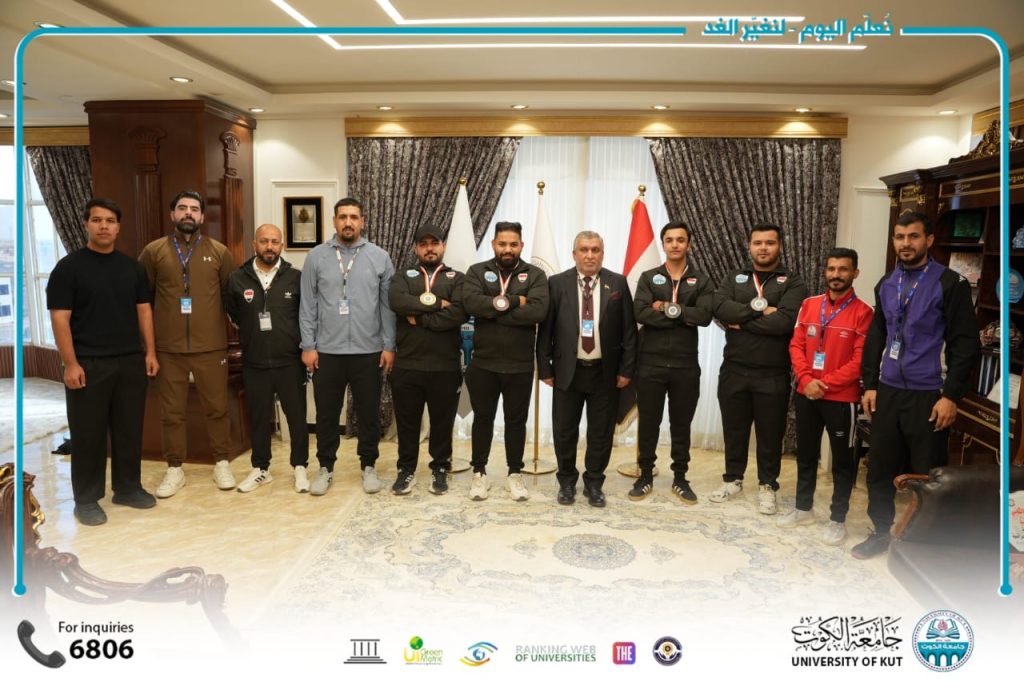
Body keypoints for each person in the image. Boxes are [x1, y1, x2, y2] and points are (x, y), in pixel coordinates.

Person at [853, 212, 980, 559]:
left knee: (928, 475)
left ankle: (925, 541)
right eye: (899, 237)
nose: (905, 243)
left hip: (929, 393)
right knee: (879, 468)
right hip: (888, 390)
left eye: (913, 236)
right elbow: (877, 335)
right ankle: (880, 532)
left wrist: (951, 396)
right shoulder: (887, 282)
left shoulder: (950, 284)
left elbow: (965, 344)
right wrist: (870, 384)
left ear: (929, 240)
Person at [46, 198, 160, 525]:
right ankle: (85, 499)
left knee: (128, 429)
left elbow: (144, 312)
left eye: (110, 220)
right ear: (86, 224)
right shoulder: (68, 269)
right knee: (88, 434)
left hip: (130, 361)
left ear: (118, 227)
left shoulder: (132, 268)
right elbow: (60, 319)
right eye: (97, 220)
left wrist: (150, 352)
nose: (104, 226)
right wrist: (70, 364)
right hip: (88, 364)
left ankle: (127, 488)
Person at [139, 190, 235, 497]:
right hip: (169, 349)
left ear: (203, 216)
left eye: (194, 209)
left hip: (211, 347)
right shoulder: (154, 251)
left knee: (217, 409)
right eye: (182, 208)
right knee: (172, 413)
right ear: (173, 214)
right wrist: (149, 349)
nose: (189, 213)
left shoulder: (219, 252)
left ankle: (222, 462)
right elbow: (143, 300)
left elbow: (230, 298)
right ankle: (174, 468)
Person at [299, 197, 396, 496]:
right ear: (334, 221)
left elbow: (387, 307)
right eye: (343, 217)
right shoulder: (316, 257)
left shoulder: (379, 257)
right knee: (327, 414)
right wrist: (308, 345)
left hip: (369, 351)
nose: (348, 222)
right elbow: (307, 305)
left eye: (354, 217)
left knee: (368, 413)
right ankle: (325, 467)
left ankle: (369, 466)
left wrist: (388, 345)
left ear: (362, 221)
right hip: (327, 352)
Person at [711, 222, 808, 514]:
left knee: (770, 434)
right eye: (758, 243)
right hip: (734, 370)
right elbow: (720, 308)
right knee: (734, 430)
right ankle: (733, 479)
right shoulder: (734, 277)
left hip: (772, 373)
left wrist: (741, 321)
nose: (763, 248)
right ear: (749, 246)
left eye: (769, 242)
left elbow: (785, 322)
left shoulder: (793, 282)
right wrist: (761, 311)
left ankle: (768, 485)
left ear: (780, 246)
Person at [782, 248, 874, 545]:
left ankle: (837, 519)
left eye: (843, 269)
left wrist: (823, 384)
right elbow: (796, 345)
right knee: (806, 455)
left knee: (843, 463)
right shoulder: (809, 305)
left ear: (855, 273)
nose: (836, 275)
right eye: (832, 269)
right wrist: (806, 380)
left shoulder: (864, 313)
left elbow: (860, 361)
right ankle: (803, 509)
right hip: (806, 393)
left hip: (842, 399)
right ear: (825, 271)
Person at [537, 231, 636, 507]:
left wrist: (627, 370)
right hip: (567, 371)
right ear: (574, 254)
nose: (590, 255)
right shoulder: (557, 283)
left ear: (602, 254)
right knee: (564, 431)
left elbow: (629, 331)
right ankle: (567, 482)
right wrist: (544, 367)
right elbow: (546, 330)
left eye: (595, 250)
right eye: (584, 250)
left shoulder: (617, 282)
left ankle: (594, 483)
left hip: (605, 372)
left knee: (600, 433)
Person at [462, 221, 549, 501]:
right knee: (482, 420)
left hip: (520, 365)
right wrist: (516, 301)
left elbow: (538, 312)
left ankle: (515, 473)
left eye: (513, 244)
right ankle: (479, 473)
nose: (507, 249)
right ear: (493, 245)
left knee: (516, 422)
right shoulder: (477, 271)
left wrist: (494, 308)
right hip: (483, 364)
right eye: (502, 244)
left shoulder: (535, 275)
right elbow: (471, 304)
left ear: (521, 245)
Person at [629, 221, 714, 503]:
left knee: (681, 424)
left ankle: (680, 477)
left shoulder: (701, 281)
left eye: (680, 240)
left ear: (689, 244)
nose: (675, 244)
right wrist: (682, 315)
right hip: (650, 363)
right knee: (649, 422)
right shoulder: (648, 277)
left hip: (685, 365)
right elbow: (641, 313)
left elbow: (704, 317)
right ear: (663, 244)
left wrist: (664, 307)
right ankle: (645, 475)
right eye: (669, 240)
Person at [225, 224, 309, 493]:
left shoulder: (296, 277)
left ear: (281, 245)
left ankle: (300, 467)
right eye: (264, 241)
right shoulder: (237, 278)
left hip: (290, 362)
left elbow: (306, 315)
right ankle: (261, 468)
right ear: (254, 244)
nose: (269, 246)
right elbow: (234, 314)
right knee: (259, 418)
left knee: (297, 418)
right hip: (255, 362)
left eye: (274, 241)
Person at [387, 225, 467, 496]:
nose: (429, 248)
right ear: (416, 248)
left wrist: (419, 318)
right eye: (424, 244)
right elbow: (398, 302)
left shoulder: (458, 278)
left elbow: (459, 313)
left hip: (445, 366)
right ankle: (406, 470)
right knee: (407, 424)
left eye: (435, 243)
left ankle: (440, 468)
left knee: (442, 424)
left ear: (443, 246)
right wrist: (439, 304)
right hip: (408, 364)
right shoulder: (402, 276)